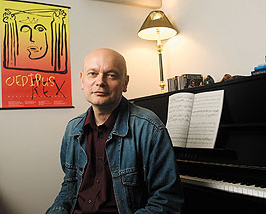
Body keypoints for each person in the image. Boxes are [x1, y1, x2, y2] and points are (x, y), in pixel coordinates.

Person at [46, 48, 184, 214]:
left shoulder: (149, 128)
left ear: (125, 83)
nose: (100, 81)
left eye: (111, 75)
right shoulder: (72, 129)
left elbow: (166, 201)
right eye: (92, 73)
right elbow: (69, 187)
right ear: (82, 81)